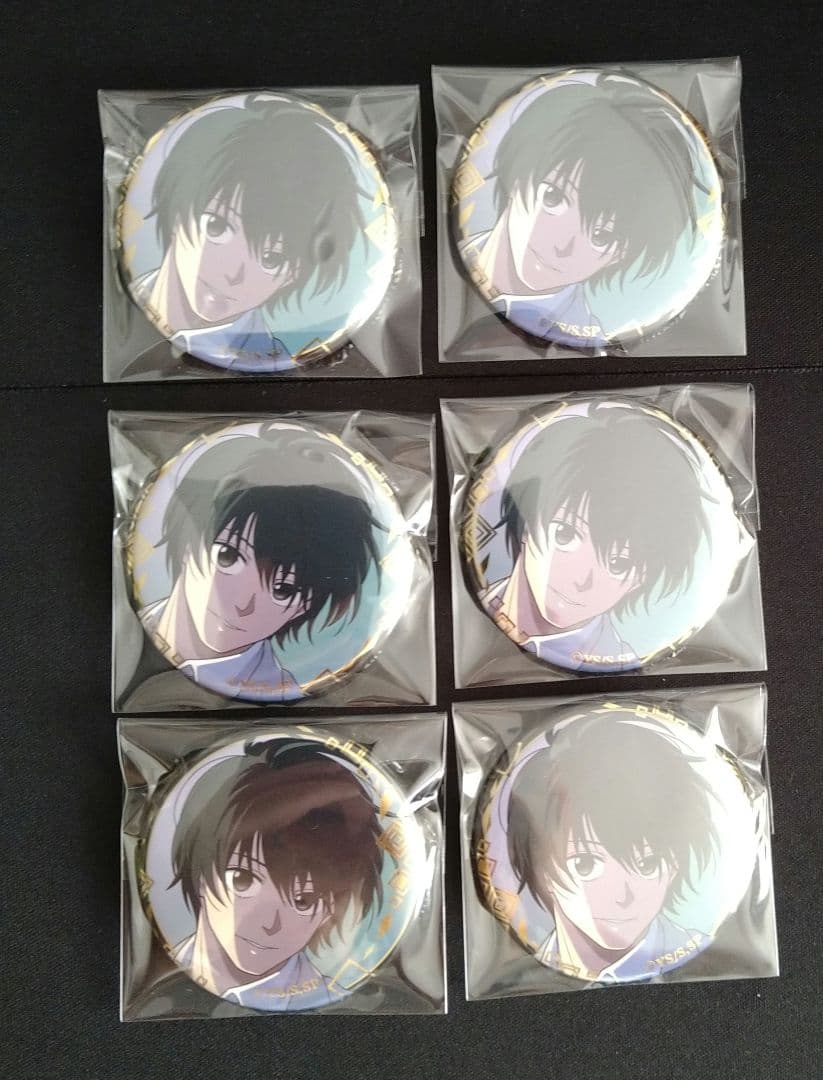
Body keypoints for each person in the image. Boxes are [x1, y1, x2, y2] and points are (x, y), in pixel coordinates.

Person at [461, 73, 704, 347]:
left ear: (619, 256)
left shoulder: (585, 332)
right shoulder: (450, 265)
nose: (562, 246)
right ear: (515, 176)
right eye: (553, 197)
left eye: (602, 236)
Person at [140, 429, 382, 701]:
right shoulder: (125, 632)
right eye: (228, 556)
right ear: (189, 538)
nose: (243, 604)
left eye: (283, 590)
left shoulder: (278, 686)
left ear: (303, 606)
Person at [131, 94, 366, 370]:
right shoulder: (125, 305)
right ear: (176, 210)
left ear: (292, 275)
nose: (233, 273)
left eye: (271, 259)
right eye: (217, 226)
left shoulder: (269, 355)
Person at [484, 403, 710, 670]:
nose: (582, 579)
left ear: (639, 580)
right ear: (527, 520)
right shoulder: (463, 610)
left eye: (619, 563)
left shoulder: (615, 657)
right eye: (565, 534)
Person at [170, 740, 383, 1010]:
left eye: (303, 900)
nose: (270, 924)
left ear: (329, 912)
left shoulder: (330, 999)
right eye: (243, 879)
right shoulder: (157, 970)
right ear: (201, 866)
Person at [507, 715, 719, 982]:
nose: (623, 896)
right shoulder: (518, 968)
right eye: (585, 864)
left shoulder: (710, 961)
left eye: (648, 864)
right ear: (540, 867)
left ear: (674, 867)